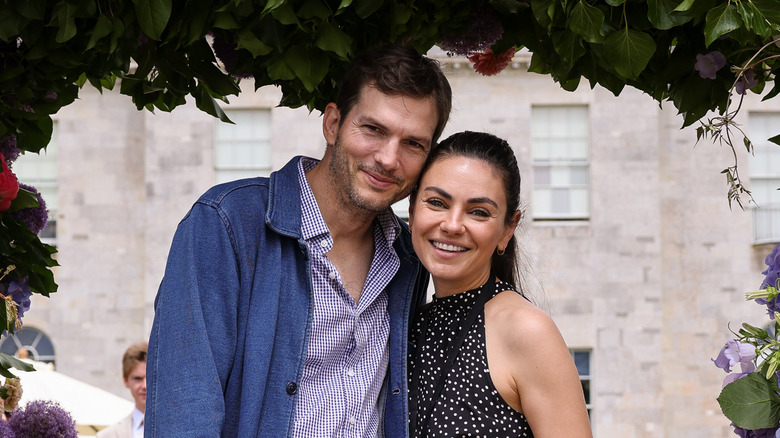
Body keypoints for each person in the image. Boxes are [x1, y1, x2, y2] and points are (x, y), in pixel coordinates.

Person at [145, 44, 452, 437]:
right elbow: (183, 412)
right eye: (373, 129)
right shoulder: (227, 223)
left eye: (413, 144)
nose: (389, 159)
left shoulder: (408, 256)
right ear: (332, 124)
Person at [407, 131, 592, 438]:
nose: (452, 225)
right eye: (437, 202)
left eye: (478, 212)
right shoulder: (409, 323)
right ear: (412, 211)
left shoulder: (526, 330)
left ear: (508, 229)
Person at [98, 342, 147, 438]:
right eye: (137, 378)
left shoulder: (180, 428)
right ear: (125, 380)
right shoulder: (107, 436)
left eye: (150, 378)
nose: (145, 386)